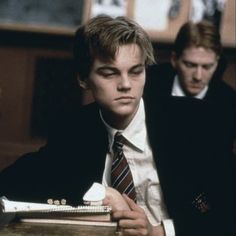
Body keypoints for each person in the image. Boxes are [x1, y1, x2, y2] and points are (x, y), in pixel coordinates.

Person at [0, 15, 235, 236]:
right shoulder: (74, 128)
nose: (125, 85)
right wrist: (100, 197)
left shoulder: (195, 121)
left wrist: (158, 231)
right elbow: (20, 182)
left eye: (135, 72)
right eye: (109, 73)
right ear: (83, 79)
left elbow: (227, 208)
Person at [146, 20, 236, 155]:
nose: (198, 76)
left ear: (217, 62)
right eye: (190, 65)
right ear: (174, 60)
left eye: (207, 67)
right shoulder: (148, 85)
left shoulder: (229, 102)